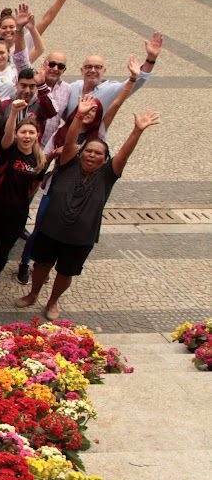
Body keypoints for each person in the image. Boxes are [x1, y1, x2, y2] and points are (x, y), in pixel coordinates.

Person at [17, 102, 159, 321]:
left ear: (105, 158)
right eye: (89, 151)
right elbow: (71, 139)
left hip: (81, 236)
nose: (92, 155)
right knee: (41, 264)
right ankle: (33, 293)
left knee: (66, 271)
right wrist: (78, 118)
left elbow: (123, 155)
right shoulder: (67, 163)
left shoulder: (107, 174)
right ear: (80, 153)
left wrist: (137, 131)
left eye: (98, 153)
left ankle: (53, 300)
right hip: (51, 228)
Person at [0, 105, 46, 302]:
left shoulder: (38, 161)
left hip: (17, 214)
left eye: (31, 132)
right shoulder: (8, 151)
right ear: (17, 134)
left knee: (3, 250)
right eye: (23, 132)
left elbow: (34, 186)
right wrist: (13, 112)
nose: (27, 135)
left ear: (37, 135)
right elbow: (6, 135)